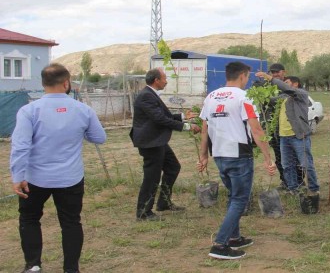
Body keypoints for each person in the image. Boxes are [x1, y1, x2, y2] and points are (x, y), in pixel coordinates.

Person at [10, 63, 107, 273]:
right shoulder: (83, 109)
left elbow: (21, 146)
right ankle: (71, 268)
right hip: (70, 178)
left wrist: (17, 175)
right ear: (66, 83)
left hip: (34, 178)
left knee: (29, 219)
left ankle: (33, 265)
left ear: (43, 84)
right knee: (71, 222)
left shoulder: (28, 111)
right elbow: (99, 137)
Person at [198, 61, 276, 260]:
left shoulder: (211, 96)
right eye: (247, 77)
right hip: (239, 155)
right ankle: (220, 244)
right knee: (240, 200)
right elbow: (256, 129)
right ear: (242, 75)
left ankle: (234, 237)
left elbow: (205, 129)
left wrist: (203, 155)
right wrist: (268, 157)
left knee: (234, 196)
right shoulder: (244, 97)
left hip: (220, 154)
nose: (247, 80)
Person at [130, 68, 200, 221]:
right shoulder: (146, 96)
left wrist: (182, 116)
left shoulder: (150, 94)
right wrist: (186, 126)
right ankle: (144, 212)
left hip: (157, 141)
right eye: (164, 78)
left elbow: (162, 116)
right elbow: (159, 119)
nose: (166, 81)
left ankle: (163, 203)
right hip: (151, 143)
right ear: (156, 80)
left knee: (173, 167)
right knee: (152, 177)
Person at [255, 72, 319, 194]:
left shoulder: (301, 94)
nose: (284, 85)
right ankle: (293, 189)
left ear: (295, 84)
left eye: (287, 83)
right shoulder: (283, 97)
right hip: (284, 137)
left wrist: (271, 79)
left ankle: (314, 189)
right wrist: (259, 91)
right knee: (287, 165)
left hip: (299, 136)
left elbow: (288, 90)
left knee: (306, 164)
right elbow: (269, 100)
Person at [253, 63, 304, 190]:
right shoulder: (267, 86)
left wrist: (265, 95)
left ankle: (300, 182)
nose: (275, 74)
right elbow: (263, 107)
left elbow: (279, 99)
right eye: (272, 72)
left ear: (283, 72)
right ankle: (285, 181)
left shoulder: (288, 86)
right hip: (274, 128)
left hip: (289, 129)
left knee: (295, 157)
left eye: (277, 72)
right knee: (279, 157)